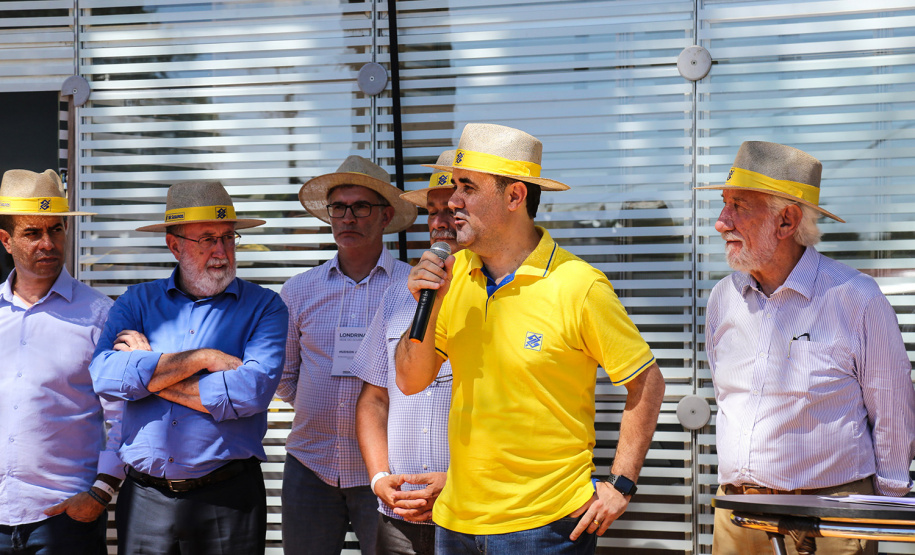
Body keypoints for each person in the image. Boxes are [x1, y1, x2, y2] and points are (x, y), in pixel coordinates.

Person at [395, 123, 666, 554]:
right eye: (454, 188)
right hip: (455, 523)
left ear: (515, 196)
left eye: (468, 187)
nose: (453, 201)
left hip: (547, 528)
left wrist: (620, 483)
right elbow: (411, 381)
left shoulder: (579, 286)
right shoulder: (456, 276)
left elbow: (647, 382)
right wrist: (425, 303)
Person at [698, 141, 915, 555]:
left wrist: (884, 512)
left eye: (738, 206)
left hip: (832, 521)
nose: (720, 223)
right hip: (738, 519)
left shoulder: (856, 297)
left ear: (786, 220)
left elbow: (893, 413)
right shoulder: (722, 299)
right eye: (724, 205)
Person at [89, 180, 288, 555]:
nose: (221, 250)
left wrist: (146, 372)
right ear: (174, 245)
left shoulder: (265, 307)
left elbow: (251, 393)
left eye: (228, 237)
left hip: (227, 498)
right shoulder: (137, 301)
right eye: (207, 239)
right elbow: (104, 375)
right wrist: (203, 359)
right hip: (145, 497)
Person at [279, 155, 418, 555]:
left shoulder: (414, 288)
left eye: (360, 207)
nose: (347, 218)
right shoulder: (299, 291)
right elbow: (287, 378)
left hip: (386, 472)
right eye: (338, 208)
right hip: (310, 465)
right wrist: (323, 405)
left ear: (385, 215)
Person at [0, 169, 123, 555]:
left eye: (56, 230)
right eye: (32, 233)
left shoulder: (100, 315)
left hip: (65, 521)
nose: (48, 243)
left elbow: (122, 416)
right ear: (5, 240)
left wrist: (100, 495)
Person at [352, 150, 459, 555]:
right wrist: (380, 478)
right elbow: (374, 397)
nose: (439, 221)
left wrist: (458, 478)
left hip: (467, 513)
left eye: (450, 208)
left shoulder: (495, 295)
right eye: (432, 211)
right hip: (396, 515)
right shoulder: (402, 292)